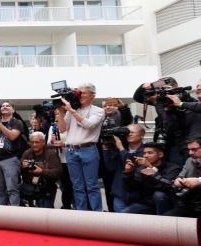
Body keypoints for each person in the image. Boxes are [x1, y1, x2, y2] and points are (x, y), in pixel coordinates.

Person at [55, 83, 105, 211]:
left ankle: (96, 214)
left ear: (93, 95)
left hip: (88, 149)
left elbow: (89, 124)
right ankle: (81, 214)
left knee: (92, 185)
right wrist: (60, 112)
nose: (80, 95)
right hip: (71, 151)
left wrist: (71, 110)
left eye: (84, 93)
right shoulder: (73, 109)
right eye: (79, 93)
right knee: (77, 186)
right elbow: (62, 129)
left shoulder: (98, 111)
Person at [120, 142, 181, 215]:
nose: (146, 156)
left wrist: (151, 168)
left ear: (160, 154)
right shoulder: (141, 169)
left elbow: (167, 186)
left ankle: (162, 220)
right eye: (144, 153)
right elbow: (130, 188)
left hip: (168, 205)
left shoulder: (173, 168)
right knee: (124, 214)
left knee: (159, 195)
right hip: (147, 204)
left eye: (150, 153)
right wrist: (128, 173)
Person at [0, 101, 26, 206]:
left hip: (10, 159)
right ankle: (2, 213)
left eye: (8, 106)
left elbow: (12, 136)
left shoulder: (16, 122)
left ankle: (14, 213)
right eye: (3, 106)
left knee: (12, 189)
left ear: (13, 110)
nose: (5, 107)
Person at [109, 124, 146, 213]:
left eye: (132, 132)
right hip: (120, 195)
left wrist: (121, 148)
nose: (129, 134)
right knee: (120, 220)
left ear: (142, 135)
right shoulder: (119, 150)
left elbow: (132, 164)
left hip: (138, 198)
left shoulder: (146, 151)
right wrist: (106, 148)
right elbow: (110, 167)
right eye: (127, 132)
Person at [20, 132, 62, 208]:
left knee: (46, 211)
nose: (34, 144)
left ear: (43, 142)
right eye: (32, 142)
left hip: (47, 187)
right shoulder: (27, 153)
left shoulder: (51, 154)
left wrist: (42, 171)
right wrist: (22, 166)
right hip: (30, 186)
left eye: (37, 142)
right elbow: (17, 170)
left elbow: (58, 172)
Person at [167, 137, 201, 217]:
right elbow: (180, 176)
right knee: (168, 218)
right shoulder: (190, 160)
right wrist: (178, 181)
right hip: (191, 203)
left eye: (194, 149)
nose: (190, 153)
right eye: (189, 150)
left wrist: (199, 181)